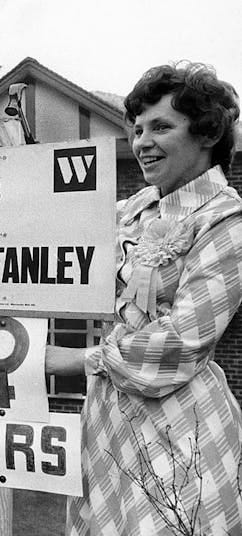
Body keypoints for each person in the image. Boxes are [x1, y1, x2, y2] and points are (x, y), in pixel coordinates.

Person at [46, 61, 242, 535]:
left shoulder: (226, 219)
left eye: (161, 127)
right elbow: (52, 239)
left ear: (207, 133)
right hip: (111, 419)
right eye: (136, 130)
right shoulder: (133, 209)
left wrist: (76, 360)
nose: (141, 143)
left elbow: (185, 338)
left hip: (181, 420)